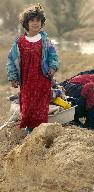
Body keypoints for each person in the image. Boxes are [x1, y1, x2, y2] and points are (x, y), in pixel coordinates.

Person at [6, 4, 59, 134]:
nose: (35, 23)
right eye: (32, 20)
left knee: (41, 108)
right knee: (28, 107)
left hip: (42, 80)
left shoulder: (46, 41)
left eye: (38, 21)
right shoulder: (19, 41)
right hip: (27, 81)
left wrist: (52, 67)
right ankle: (29, 131)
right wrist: (13, 77)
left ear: (42, 23)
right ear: (26, 23)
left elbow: (53, 56)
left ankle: (40, 133)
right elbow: (11, 60)